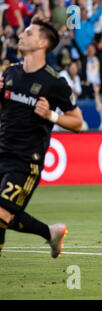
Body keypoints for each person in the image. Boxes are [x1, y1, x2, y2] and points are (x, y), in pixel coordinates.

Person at [0, 18, 83, 257]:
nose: (21, 35)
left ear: (43, 43)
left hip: (26, 160)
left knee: (2, 214)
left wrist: (51, 116)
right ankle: (51, 233)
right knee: (6, 214)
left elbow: (77, 122)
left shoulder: (54, 82)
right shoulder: (10, 73)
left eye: (28, 32)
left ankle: (51, 233)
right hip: (2, 150)